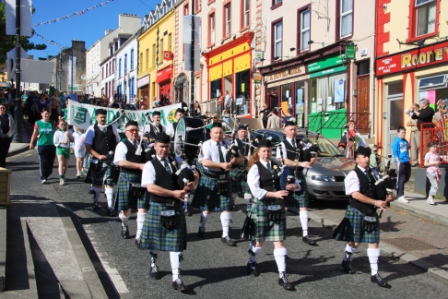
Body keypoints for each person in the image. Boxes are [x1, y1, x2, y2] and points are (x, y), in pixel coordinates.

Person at [139, 132, 199, 292]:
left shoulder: (176, 161)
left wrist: (191, 185)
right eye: (161, 146)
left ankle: (176, 277)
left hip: (175, 207)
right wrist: (173, 193)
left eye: (166, 146)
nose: (164, 150)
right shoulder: (150, 165)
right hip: (159, 206)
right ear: (155, 146)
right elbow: (150, 187)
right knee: (155, 240)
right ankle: (153, 264)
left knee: (175, 245)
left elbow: (194, 175)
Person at [332, 146, 394, 288]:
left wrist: (387, 197)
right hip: (357, 211)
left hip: (371, 213)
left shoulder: (373, 173)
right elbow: (355, 194)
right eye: (363, 157)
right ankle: (346, 259)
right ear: (357, 159)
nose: (366, 159)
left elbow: (378, 191)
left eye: (368, 157)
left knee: (374, 242)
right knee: (355, 241)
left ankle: (375, 273)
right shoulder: (353, 175)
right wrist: (375, 202)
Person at [242, 139, 296, 290]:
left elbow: (288, 181)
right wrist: (275, 194)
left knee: (279, 241)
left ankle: (282, 275)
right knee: (259, 242)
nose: (267, 154)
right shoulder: (254, 169)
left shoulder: (277, 165)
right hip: (262, 206)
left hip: (277, 207)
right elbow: (256, 191)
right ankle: (252, 262)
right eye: (264, 151)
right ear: (258, 152)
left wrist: (293, 186)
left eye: (269, 151)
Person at [192, 122, 244, 246]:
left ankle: (225, 235)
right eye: (216, 133)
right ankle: (202, 225)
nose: (218, 135)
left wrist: (236, 160)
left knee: (227, 206)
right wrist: (222, 165)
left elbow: (242, 158)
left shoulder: (229, 144)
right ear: (211, 134)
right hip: (210, 178)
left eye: (220, 133)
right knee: (207, 209)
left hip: (224, 179)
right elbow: (205, 162)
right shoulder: (206, 145)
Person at [277, 120, 317, 245]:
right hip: (287, 174)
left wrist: (312, 160)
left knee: (303, 204)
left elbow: (313, 155)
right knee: (284, 204)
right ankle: (280, 230)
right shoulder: (281, 145)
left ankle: (305, 234)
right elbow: (283, 160)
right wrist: (300, 163)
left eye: (294, 129)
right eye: (291, 130)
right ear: (285, 131)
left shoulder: (302, 143)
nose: (293, 132)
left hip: (299, 174)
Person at [113, 120, 148, 243]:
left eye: (136, 130)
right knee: (126, 211)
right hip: (127, 179)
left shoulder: (143, 145)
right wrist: (139, 166)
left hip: (142, 180)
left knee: (142, 208)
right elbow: (121, 162)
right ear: (126, 132)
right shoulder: (122, 145)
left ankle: (139, 236)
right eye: (131, 131)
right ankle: (124, 223)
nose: (134, 133)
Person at [84, 109, 121, 215]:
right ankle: (95, 201)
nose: (103, 119)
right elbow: (88, 147)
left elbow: (118, 142)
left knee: (109, 182)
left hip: (110, 160)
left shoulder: (112, 127)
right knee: (98, 184)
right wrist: (98, 156)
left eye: (104, 117)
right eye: (101, 117)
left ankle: (110, 207)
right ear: (96, 117)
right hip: (97, 160)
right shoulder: (92, 129)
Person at [229, 124, 253, 213]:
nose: (244, 133)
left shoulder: (249, 142)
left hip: (246, 169)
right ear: (238, 133)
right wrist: (245, 157)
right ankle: (232, 203)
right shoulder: (234, 142)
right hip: (236, 168)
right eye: (242, 132)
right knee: (234, 190)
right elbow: (233, 156)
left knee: (247, 188)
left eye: (245, 132)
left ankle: (248, 205)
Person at [29, 108, 57, 184]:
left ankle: (48, 173)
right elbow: (34, 133)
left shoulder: (53, 123)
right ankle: (43, 177)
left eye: (48, 114)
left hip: (51, 145)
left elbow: (58, 131)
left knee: (50, 162)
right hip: (42, 145)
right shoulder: (38, 123)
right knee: (43, 161)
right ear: (41, 114)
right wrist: (31, 143)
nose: (47, 115)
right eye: (45, 114)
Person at [410, 98, 434, 162]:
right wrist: (413, 111)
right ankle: (424, 159)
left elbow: (422, 116)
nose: (420, 104)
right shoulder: (421, 110)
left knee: (426, 145)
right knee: (422, 145)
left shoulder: (429, 109)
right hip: (421, 130)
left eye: (421, 103)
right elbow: (413, 117)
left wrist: (415, 111)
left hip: (427, 130)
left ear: (424, 103)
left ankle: (427, 160)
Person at [392, 126, 411, 203]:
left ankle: (396, 188)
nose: (404, 134)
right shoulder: (396, 141)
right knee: (401, 178)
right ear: (398, 133)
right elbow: (395, 152)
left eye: (404, 133)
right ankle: (400, 195)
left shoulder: (405, 141)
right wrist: (398, 161)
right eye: (402, 132)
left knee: (407, 177)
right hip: (401, 162)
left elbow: (408, 149)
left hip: (407, 161)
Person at [53, 120, 74, 185]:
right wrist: (62, 142)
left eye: (64, 124)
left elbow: (73, 140)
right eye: (61, 124)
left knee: (66, 165)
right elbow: (55, 142)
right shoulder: (57, 132)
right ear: (58, 125)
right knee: (61, 163)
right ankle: (61, 178)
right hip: (60, 148)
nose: (63, 126)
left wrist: (69, 135)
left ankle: (63, 174)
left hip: (67, 149)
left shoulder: (68, 132)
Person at [0, 103, 16, 168]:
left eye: (3, 108)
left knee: (5, 152)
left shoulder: (9, 116)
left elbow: (13, 126)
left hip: (7, 137)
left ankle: (2, 165)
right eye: (1, 108)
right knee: (1, 152)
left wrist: (11, 135)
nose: (2, 109)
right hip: (0, 137)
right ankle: (2, 165)